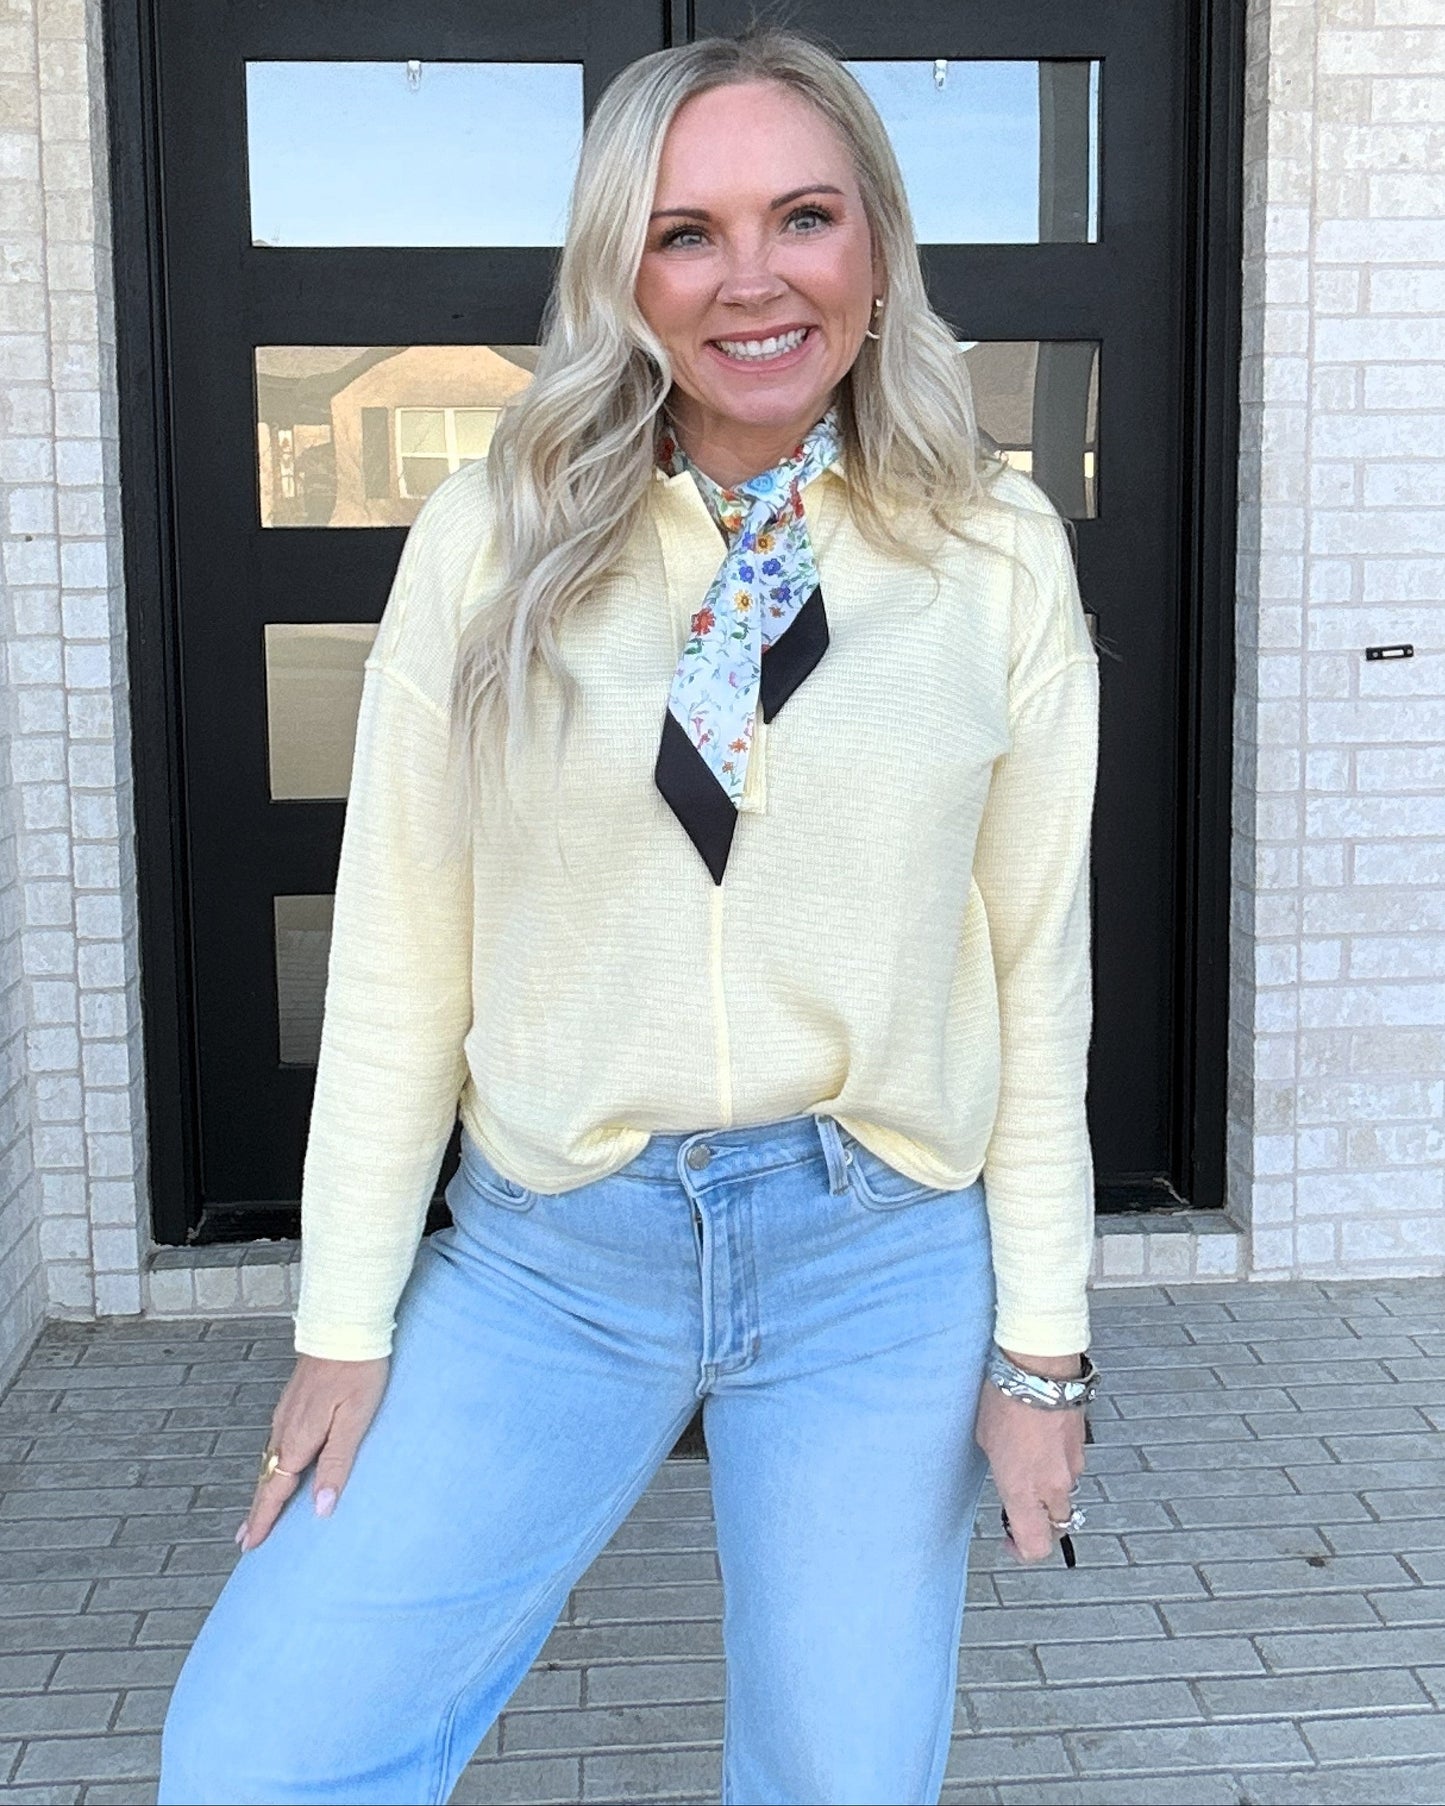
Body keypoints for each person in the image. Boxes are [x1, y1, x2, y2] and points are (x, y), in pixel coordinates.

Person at [159, 24, 1101, 1806]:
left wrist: (1039, 1352)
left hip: (870, 1250)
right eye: (689, 232)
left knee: (838, 1779)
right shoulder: (491, 534)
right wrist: (342, 1321)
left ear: (875, 244)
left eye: (803, 216)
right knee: (261, 1749)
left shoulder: (990, 548)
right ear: (624, 270)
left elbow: (1032, 972)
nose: (753, 279)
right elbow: (397, 956)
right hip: (552, 1250)